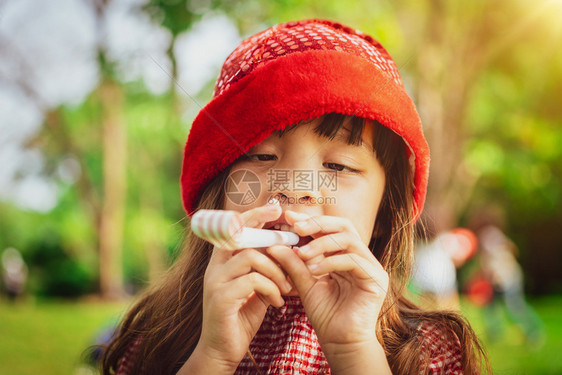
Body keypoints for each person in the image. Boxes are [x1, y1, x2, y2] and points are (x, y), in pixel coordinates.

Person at [101, 19, 488, 374]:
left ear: (386, 211)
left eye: (338, 167)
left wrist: (354, 348)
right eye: (262, 156)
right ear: (219, 196)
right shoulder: (154, 342)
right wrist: (213, 356)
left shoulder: (431, 353)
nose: (296, 187)